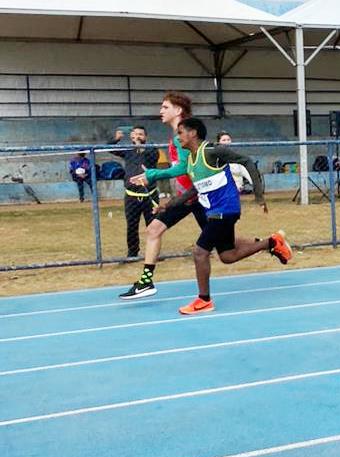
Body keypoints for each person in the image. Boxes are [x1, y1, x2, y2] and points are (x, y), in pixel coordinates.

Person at [154, 117, 291, 315]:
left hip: (225, 209)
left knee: (200, 252)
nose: (178, 137)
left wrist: (259, 195)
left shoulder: (212, 151)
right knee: (227, 256)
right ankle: (271, 242)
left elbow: (246, 161)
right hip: (215, 212)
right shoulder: (192, 161)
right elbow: (194, 190)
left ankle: (204, 300)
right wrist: (168, 206)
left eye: (181, 133)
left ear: (193, 133)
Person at [120, 92, 210, 300]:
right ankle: (146, 282)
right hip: (186, 198)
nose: (160, 111)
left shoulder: (184, 135)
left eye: (165, 107)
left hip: (199, 196)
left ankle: (269, 243)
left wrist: (153, 174)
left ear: (177, 110)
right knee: (154, 229)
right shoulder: (175, 137)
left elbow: (183, 168)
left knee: (227, 250)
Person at [108, 126, 161, 257]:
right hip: (132, 197)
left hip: (149, 195)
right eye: (135, 134)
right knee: (132, 225)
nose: (137, 136)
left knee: (153, 226)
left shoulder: (152, 150)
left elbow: (152, 156)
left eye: (140, 134)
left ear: (145, 137)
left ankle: (153, 253)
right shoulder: (127, 151)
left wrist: (139, 145)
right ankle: (132, 252)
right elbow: (109, 148)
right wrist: (116, 139)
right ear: (131, 137)